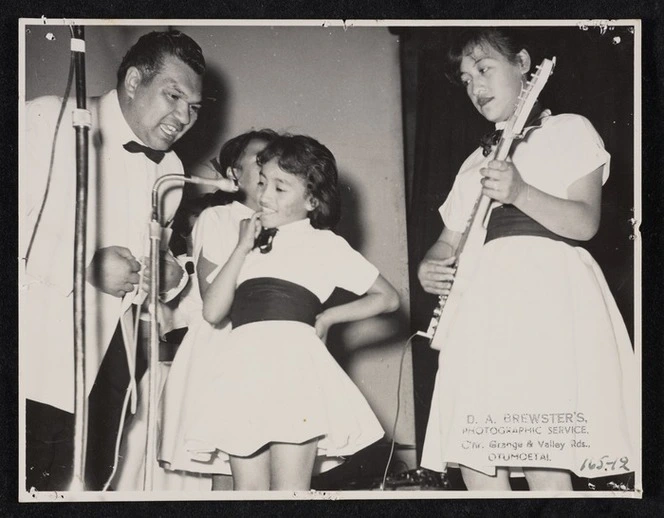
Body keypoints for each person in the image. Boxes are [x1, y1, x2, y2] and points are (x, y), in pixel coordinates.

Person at [417, 28, 636, 491]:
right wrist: (430, 266)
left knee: (542, 443)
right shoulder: (474, 160)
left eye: (483, 69)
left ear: (522, 63)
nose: (474, 87)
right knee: (474, 444)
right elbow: (447, 241)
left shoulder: (569, 129)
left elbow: (584, 224)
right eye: (464, 79)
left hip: (549, 300)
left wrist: (520, 192)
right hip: (483, 306)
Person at [21, 30, 212, 491]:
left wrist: (167, 276)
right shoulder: (46, 119)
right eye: (173, 95)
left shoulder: (170, 171)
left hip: (115, 357)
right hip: (36, 346)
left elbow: (153, 258)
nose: (184, 116)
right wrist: (84, 265)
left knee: (86, 480)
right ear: (132, 82)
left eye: (194, 107)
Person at [184, 134, 400, 490]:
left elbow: (387, 298)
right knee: (246, 493)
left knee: (290, 491)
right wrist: (240, 247)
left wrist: (329, 317)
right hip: (243, 370)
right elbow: (212, 311)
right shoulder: (250, 246)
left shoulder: (325, 244)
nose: (264, 195)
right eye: (263, 182)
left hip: (293, 373)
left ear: (312, 199)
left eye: (280, 188)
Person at [157, 129, 278, 490]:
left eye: (274, 162)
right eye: (257, 161)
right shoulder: (220, 218)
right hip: (224, 349)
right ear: (233, 175)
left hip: (271, 349)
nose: (266, 169)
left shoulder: (286, 224)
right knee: (228, 464)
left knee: (270, 461)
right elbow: (215, 296)